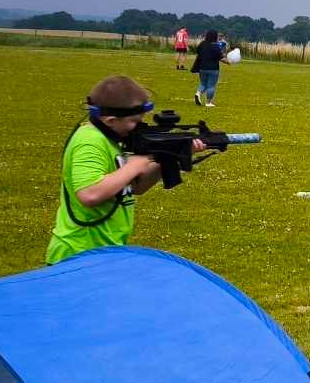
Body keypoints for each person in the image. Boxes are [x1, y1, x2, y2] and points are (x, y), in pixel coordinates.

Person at [46, 76, 209, 264]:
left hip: (107, 251)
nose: (139, 127)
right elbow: (89, 194)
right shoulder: (89, 141)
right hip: (77, 254)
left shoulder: (114, 138)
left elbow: (135, 187)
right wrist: (132, 166)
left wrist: (169, 158)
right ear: (111, 120)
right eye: (134, 121)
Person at [190, 29, 227, 108]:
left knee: (203, 83)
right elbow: (221, 58)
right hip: (213, 69)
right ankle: (208, 102)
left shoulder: (202, 44)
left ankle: (198, 93)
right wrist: (228, 62)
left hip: (202, 68)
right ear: (215, 37)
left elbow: (198, 52)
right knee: (211, 86)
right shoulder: (216, 46)